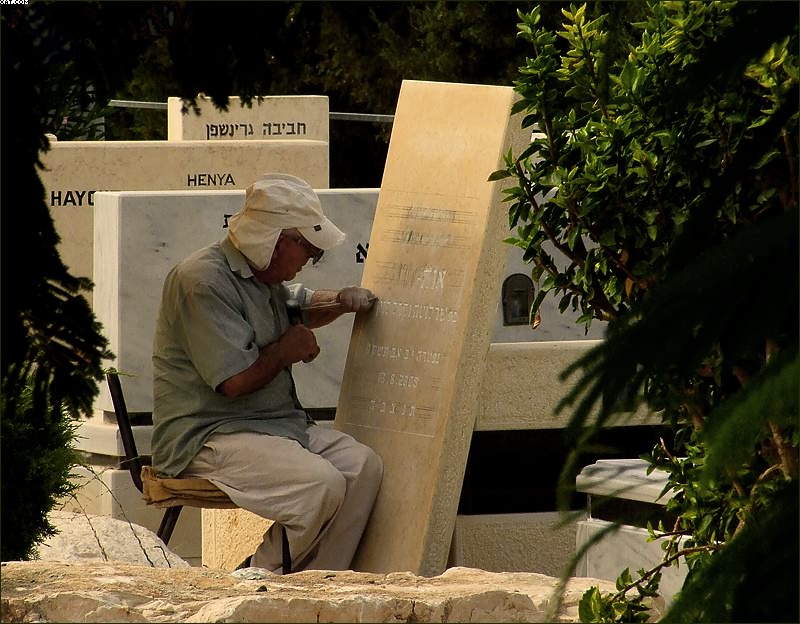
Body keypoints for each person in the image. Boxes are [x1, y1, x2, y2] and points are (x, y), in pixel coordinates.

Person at [151, 173, 383, 573]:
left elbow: (300, 304)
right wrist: (284, 352)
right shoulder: (202, 280)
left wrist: (341, 301)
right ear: (277, 240)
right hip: (210, 434)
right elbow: (233, 381)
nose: (310, 259)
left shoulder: (262, 277)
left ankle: (319, 584)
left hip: (274, 426)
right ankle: (257, 580)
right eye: (309, 250)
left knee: (363, 467)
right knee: (320, 485)